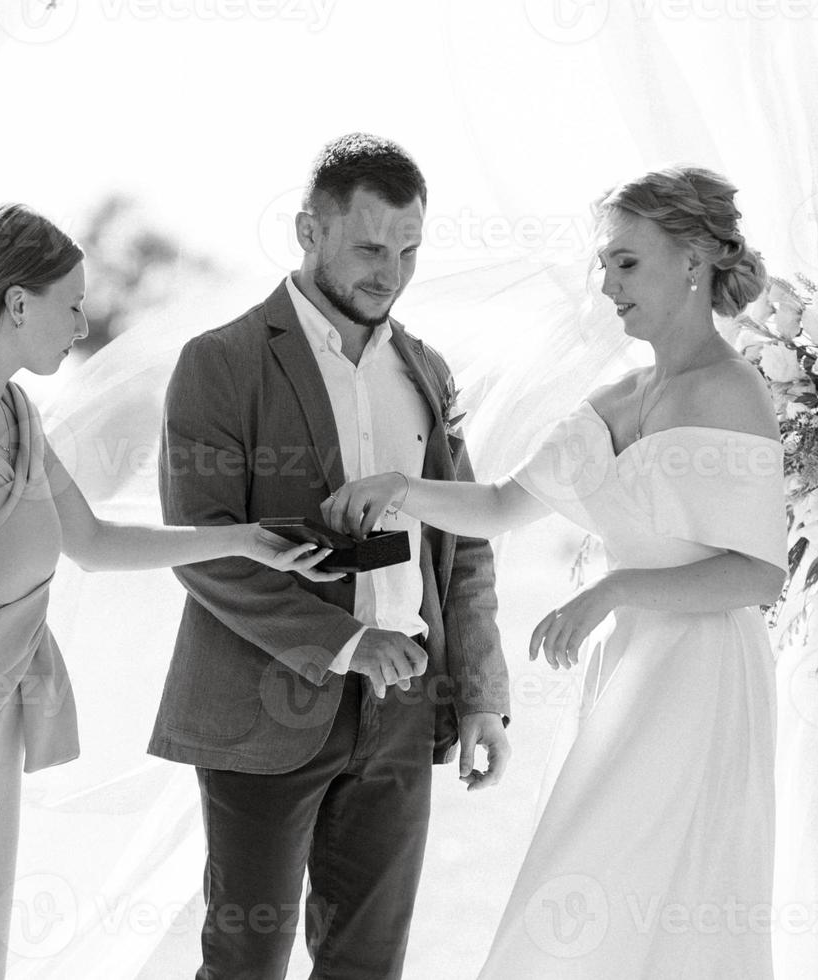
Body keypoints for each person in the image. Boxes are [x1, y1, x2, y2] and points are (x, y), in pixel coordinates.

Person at [0, 203, 337, 980]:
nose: (80, 320)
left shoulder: (18, 415)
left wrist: (244, 540)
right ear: (16, 303)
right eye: (69, 301)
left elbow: (92, 543)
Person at [326, 166, 787, 978]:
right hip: (631, 673)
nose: (606, 286)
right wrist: (402, 491)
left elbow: (757, 575)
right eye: (604, 265)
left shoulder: (733, 394)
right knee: (581, 887)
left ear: (694, 260)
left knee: (662, 896)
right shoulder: (618, 395)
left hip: (706, 677)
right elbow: (503, 505)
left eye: (626, 263)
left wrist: (612, 589)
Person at [151, 133, 512, 979]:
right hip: (261, 705)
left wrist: (482, 696)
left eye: (410, 250)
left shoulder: (427, 369)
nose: (391, 272)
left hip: (406, 709)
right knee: (246, 960)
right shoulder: (220, 363)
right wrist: (347, 643)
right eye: (370, 248)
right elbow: (200, 548)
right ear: (307, 232)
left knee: (370, 967)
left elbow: (462, 549)